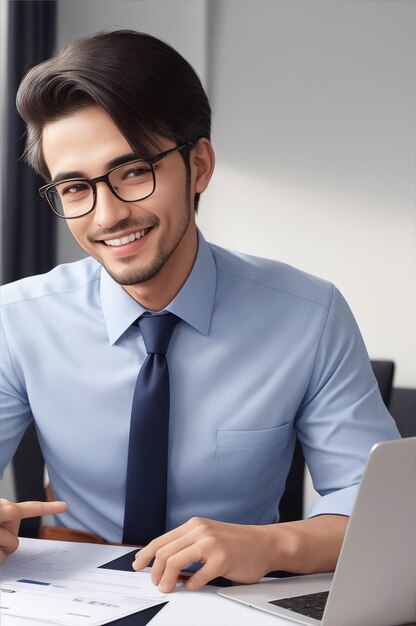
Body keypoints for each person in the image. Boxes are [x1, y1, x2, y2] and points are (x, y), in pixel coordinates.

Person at [0, 30, 399, 592]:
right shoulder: (17, 319)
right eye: (74, 188)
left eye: (133, 172)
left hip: (237, 597)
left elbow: (380, 517)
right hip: (67, 597)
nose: (107, 215)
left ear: (200, 166)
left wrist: (269, 543)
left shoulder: (310, 316)